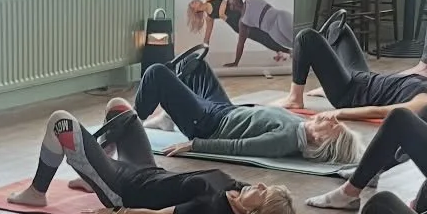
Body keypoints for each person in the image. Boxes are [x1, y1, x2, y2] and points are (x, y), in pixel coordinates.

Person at [7, 108, 295, 214]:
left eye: (263, 193)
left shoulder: (213, 210)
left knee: (61, 122)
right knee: (121, 111)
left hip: (124, 189)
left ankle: (37, 192)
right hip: (146, 170)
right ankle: (92, 175)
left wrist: (116, 213)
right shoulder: (238, 191)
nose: (259, 185)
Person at [124, 48, 357, 165]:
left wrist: (194, 145)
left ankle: (130, 125)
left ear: (319, 141)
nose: (332, 119)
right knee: (195, 65)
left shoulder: (286, 141)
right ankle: (169, 118)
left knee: (156, 73)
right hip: (224, 110)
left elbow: (239, 147)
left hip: (208, 125)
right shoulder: (301, 126)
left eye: (333, 126)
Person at [281, 12, 427, 122]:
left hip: (349, 94)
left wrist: (339, 114)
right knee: (339, 28)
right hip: (363, 77)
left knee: (306, 38)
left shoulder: (425, 102)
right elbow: (400, 81)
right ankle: (325, 84)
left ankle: (295, 98)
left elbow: (382, 112)